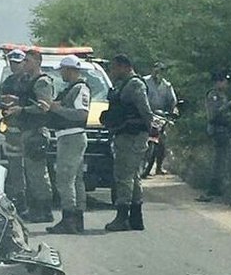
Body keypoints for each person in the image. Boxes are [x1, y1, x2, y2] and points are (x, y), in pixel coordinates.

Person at [100, 54, 154, 232]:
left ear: (124, 66)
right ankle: (135, 218)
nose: (113, 71)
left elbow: (145, 110)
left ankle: (123, 217)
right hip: (125, 135)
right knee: (133, 176)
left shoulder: (134, 85)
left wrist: (150, 130)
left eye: (115, 68)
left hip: (132, 136)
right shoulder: (124, 85)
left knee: (124, 177)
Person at [4, 49, 54, 223]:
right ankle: (36, 209)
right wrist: (16, 102)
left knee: (38, 174)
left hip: (37, 131)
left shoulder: (42, 82)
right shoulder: (27, 81)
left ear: (38, 62)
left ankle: (44, 210)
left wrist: (22, 110)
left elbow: (44, 107)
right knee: (31, 173)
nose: (25, 64)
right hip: (27, 132)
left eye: (28, 61)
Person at [43, 54, 90, 234]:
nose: (61, 73)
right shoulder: (73, 89)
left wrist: (57, 109)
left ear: (70, 70)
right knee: (76, 179)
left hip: (72, 137)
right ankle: (77, 219)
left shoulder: (80, 89)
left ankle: (69, 219)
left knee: (65, 179)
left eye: (62, 70)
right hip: (70, 137)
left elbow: (81, 114)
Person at [0, 49, 29, 214]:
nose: (15, 66)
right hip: (12, 131)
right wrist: (3, 101)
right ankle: (19, 200)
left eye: (18, 63)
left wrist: (18, 102)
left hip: (29, 130)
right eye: (12, 63)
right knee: (15, 167)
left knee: (31, 167)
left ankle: (34, 201)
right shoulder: (8, 81)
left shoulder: (31, 81)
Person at [202, 71, 231, 200]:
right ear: (218, 82)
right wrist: (230, 104)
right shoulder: (213, 95)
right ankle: (229, 185)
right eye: (225, 81)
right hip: (218, 130)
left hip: (224, 130)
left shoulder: (222, 95)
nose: (226, 84)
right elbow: (213, 114)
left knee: (220, 160)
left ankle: (216, 187)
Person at [143, 62, 178, 176]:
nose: (158, 72)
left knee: (162, 142)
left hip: (161, 116)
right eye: (156, 69)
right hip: (146, 114)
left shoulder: (166, 86)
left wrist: (173, 111)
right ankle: (142, 166)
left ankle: (159, 167)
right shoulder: (144, 82)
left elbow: (173, 101)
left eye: (161, 70)